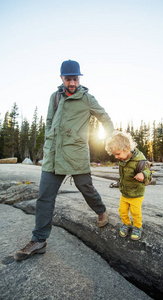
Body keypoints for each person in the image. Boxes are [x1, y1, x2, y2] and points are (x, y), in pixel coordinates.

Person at [14, 60, 114, 261]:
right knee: (44, 197)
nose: (72, 83)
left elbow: (104, 116)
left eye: (75, 79)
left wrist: (111, 139)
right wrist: (49, 140)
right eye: (68, 79)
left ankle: (101, 210)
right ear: (62, 78)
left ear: (79, 78)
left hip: (76, 152)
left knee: (86, 188)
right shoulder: (55, 97)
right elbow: (49, 121)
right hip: (53, 154)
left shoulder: (87, 98)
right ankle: (39, 240)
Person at [105, 131, 151, 240]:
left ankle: (137, 227)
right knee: (122, 210)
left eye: (118, 154)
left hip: (136, 193)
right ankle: (126, 224)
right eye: (115, 154)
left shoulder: (139, 160)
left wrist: (143, 174)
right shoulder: (123, 159)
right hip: (125, 192)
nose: (116, 157)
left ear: (127, 147)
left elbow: (149, 171)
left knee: (135, 212)